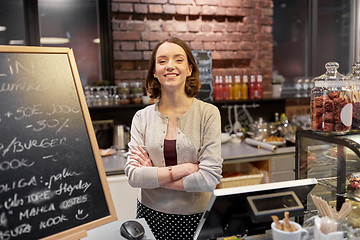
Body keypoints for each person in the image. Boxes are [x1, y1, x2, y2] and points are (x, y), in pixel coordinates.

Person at [124, 37, 223, 240]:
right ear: (154, 71)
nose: (170, 66)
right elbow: (134, 176)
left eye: (178, 60)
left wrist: (154, 176)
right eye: (162, 61)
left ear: (189, 69)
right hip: (149, 215)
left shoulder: (208, 114)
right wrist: (184, 169)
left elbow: (209, 179)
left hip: (197, 217)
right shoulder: (141, 117)